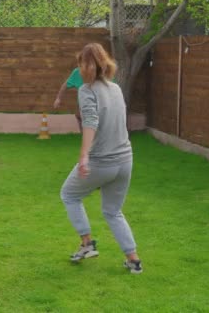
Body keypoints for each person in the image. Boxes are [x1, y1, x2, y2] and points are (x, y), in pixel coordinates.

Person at [59, 43, 142, 274]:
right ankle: (133, 260)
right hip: (125, 160)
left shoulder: (87, 90)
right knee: (113, 211)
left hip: (102, 161)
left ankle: (87, 244)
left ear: (85, 66)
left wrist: (84, 156)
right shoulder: (115, 88)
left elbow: (90, 122)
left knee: (69, 194)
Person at [53, 67, 84, 131]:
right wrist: (58, 98)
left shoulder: (103, 70)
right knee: (79, 116)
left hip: (100, 105)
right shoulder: (77, 72)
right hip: (83, 104)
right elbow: (65, 85)